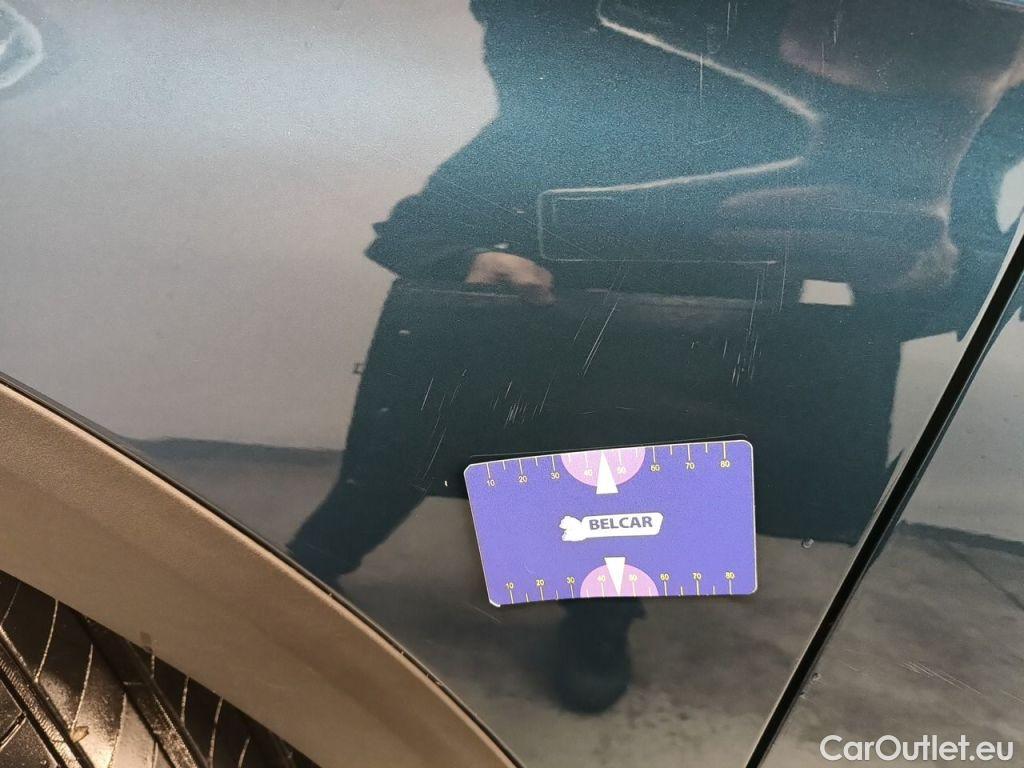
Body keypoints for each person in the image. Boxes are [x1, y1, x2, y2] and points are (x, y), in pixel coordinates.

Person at [290, 0, 1024, 712]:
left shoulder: (913, 103)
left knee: (642, 463)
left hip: (704, 317)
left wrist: (926, 271)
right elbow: (422, 219)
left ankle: (600, 615)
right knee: (415, 443)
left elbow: (966, 272)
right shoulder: (567, 95)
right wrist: (469, 258)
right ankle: (321, 559)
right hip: (526, 305)